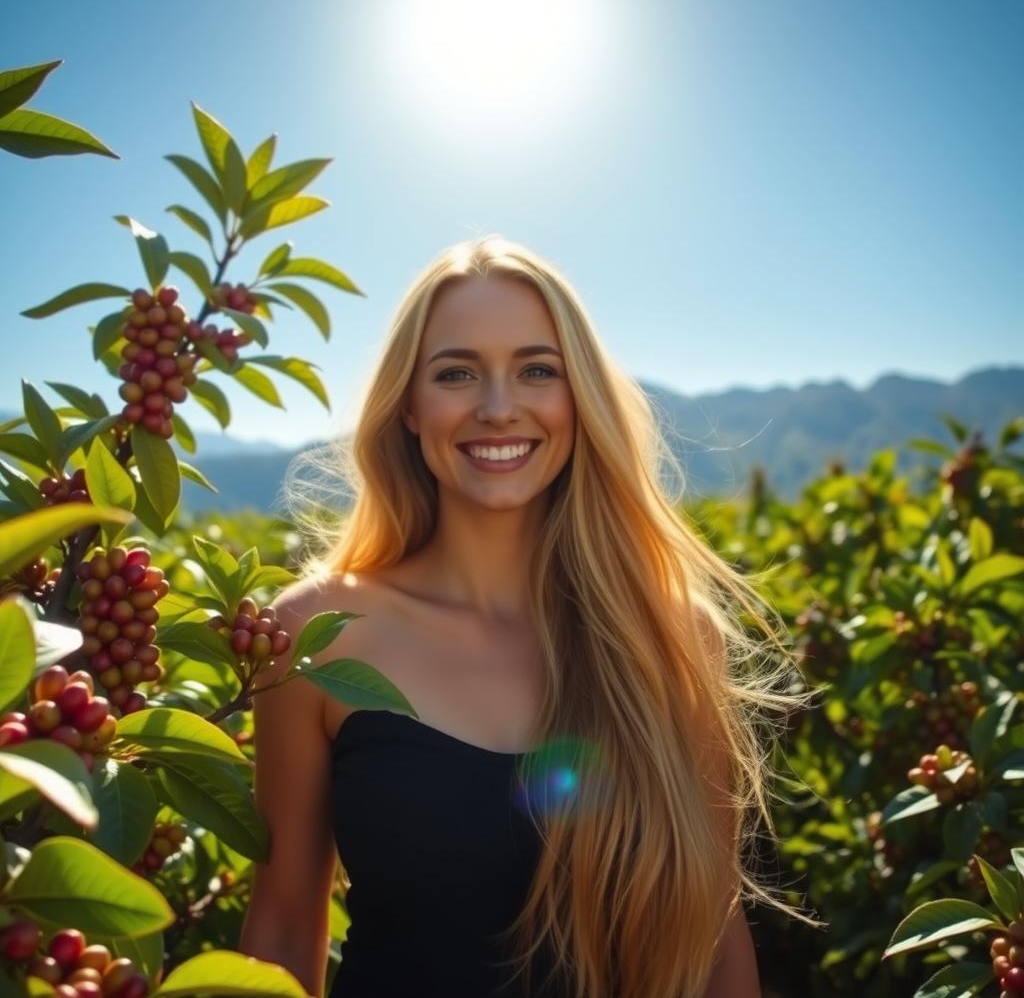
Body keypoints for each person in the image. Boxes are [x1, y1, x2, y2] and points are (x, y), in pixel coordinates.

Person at [238, 235, 819, 998]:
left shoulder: (673, 638)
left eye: (537, 370)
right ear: (409, 407)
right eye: (457, 374)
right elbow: (283, 930)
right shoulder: (317, 634)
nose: (499, 407)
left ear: (578, 397)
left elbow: (714, 932)